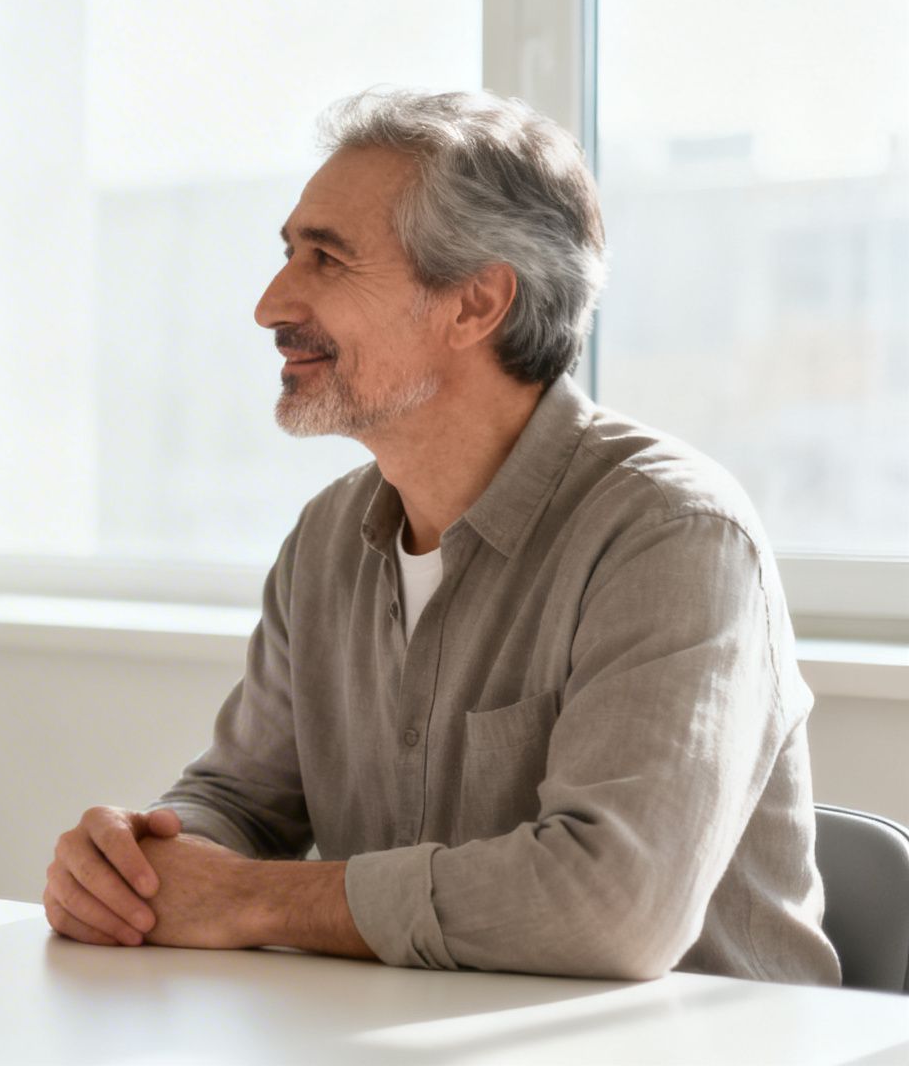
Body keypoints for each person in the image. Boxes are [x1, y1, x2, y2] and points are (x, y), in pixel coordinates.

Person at [44, 88, 840, 985]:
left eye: (327, 260)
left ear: (475, 304)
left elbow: (611, 908)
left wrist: (250, 900)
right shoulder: (326, 541)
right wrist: (136, 866)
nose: (271, 305)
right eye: (286, 254)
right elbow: (238, 803)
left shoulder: (674, 537)